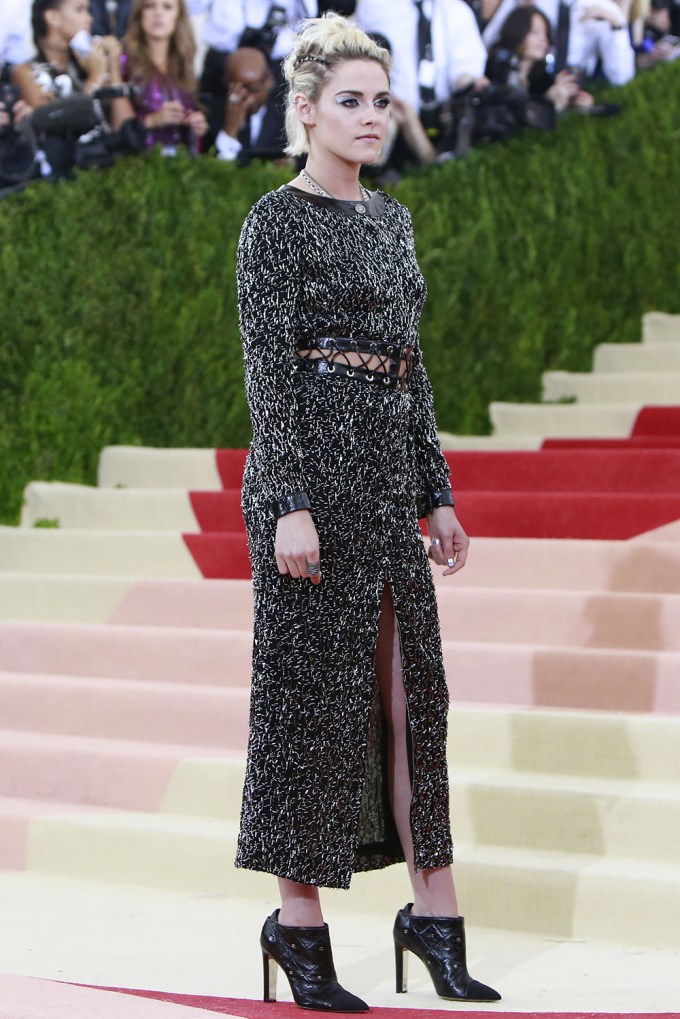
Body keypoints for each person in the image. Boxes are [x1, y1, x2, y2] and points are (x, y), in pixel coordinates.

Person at [235, 12, 500, 1012]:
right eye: (348, 100)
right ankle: (297, 926)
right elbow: (267, 369)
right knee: (309, 712)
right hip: (308, 484)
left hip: (388, 480)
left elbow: (411, 364)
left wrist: (436, 488)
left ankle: (433, 915)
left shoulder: (391, 219)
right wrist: (290, 503)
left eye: (380, 100)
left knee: (411, 703)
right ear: (304, 111)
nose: (369, 116)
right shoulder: (274, 220)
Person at [120, 0, 208, 152]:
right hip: (140, 164)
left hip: (182, 164)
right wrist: (153, 120)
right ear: (140, 14)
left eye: (167, 7)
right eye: (150, 6)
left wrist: (197, 124)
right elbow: (117, 128)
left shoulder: (184, 64)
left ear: (178, 16)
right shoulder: (124, 62)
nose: (158, 13)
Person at [487, 5, 594, 110]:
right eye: (535, 32)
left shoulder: (541, 78)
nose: (543, 39)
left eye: (545, 33)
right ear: (517, 31)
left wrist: (573, 100)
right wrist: (547, 102)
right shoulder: (495, 67)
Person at [214, 46, 287, 162]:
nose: (249, 100)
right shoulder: (213, 115)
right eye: (239, 92)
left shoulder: (286, 115)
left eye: (254, 90)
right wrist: (230, 130)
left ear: (268, 80)